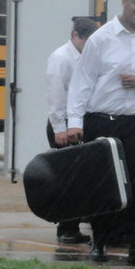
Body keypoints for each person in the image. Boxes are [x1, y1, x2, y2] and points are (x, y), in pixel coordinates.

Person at [65, 0, 135, 264]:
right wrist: (75, 122)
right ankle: (100, 242)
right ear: (124, 1)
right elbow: (82, 82)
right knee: (104, 186)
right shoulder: (102, 38)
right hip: (104, 122)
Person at [45, 16, 99, 245]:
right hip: (64, 124)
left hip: (80, 122)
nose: (88, 46)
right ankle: (66, 228)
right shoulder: (61, 58)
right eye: (85, 40)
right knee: (69, 180)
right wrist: (60, 128)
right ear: (74, 36)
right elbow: (56, 96)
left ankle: (73, 223)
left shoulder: (89, 56)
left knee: (82, 179)